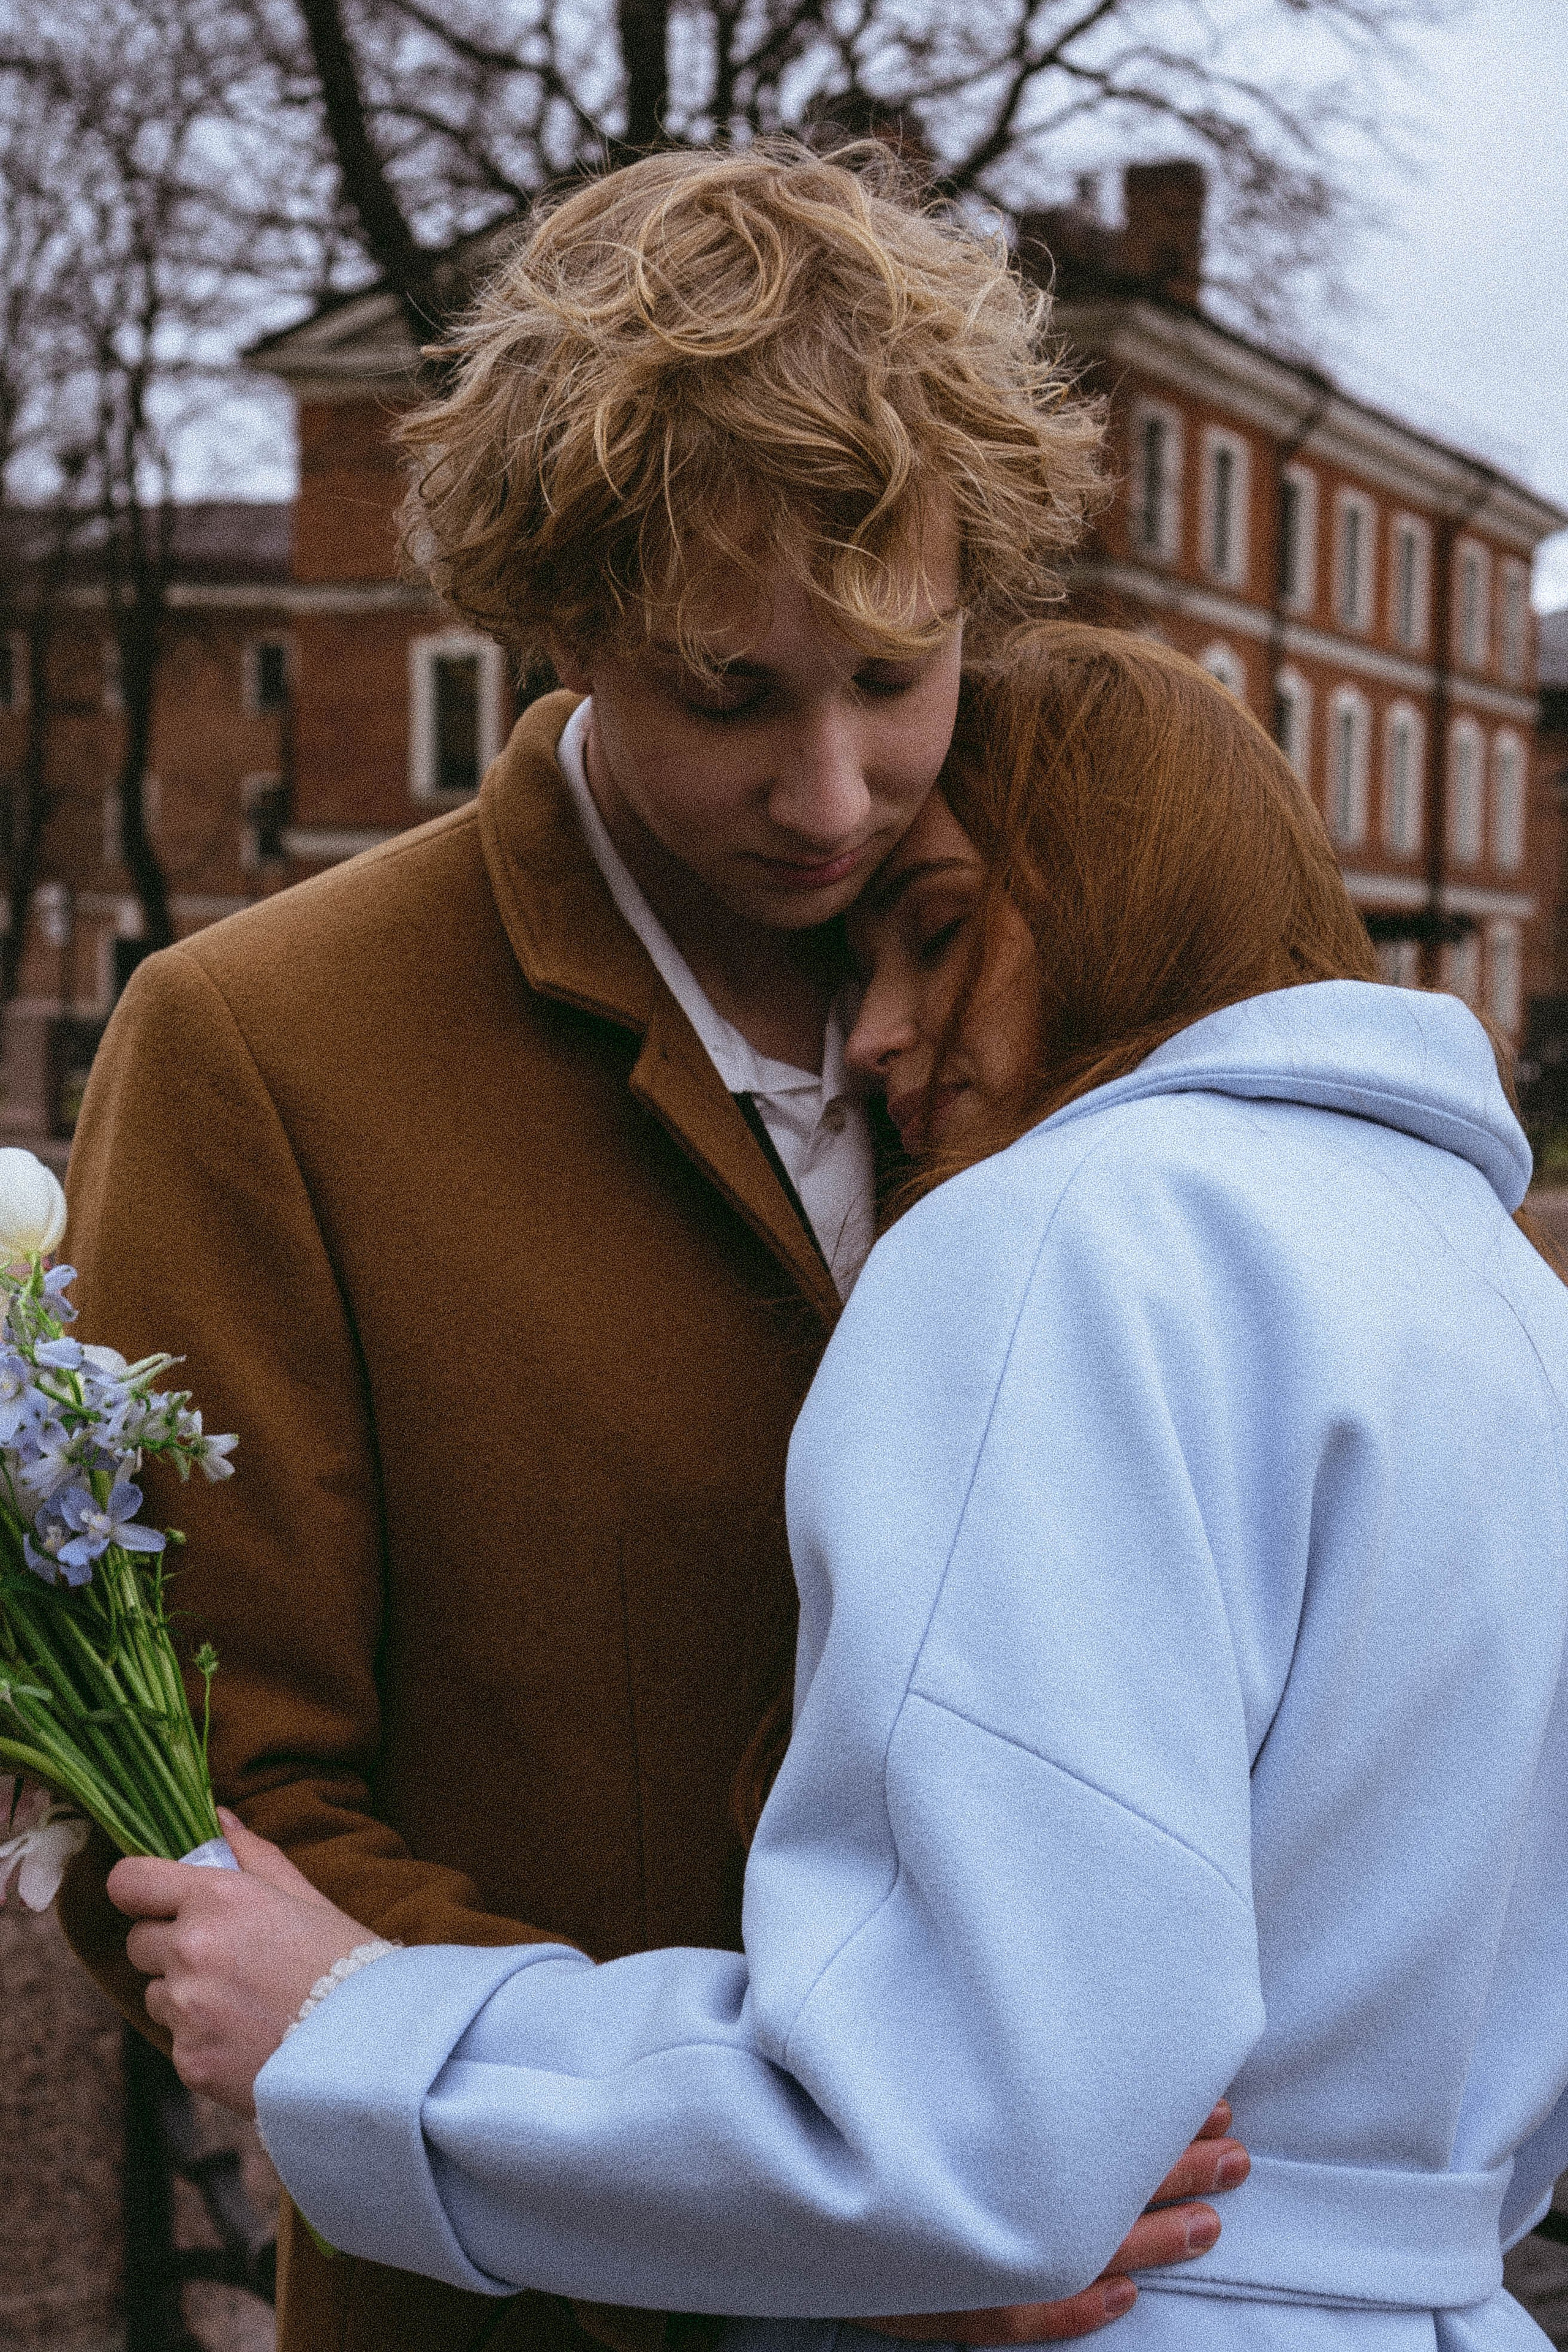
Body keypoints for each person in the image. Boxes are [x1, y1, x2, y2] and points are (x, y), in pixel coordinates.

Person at [61, 152, 1239, 2352]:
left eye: (901, 672)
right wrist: (820, 2205)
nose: (833, 789)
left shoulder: (1084, 987)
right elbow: (202, 1818)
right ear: (563, 619)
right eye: (728, 694)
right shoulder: (258, 1047)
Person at [113, 625, 1568, 2352]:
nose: (876, 1033)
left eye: (942, 933)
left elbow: (949, 2135)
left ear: (1128, 891)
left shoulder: (1053, 1238)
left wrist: (363, 2030)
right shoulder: (1509, 1300)